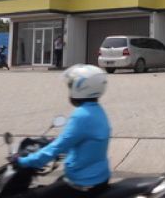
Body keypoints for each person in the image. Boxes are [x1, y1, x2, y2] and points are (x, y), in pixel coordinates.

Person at [12, 64, 111, 197]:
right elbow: (82, 142)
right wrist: (54, 142)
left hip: (83, 183)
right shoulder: (96, 110)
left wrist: (23, 161)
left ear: (81, 88)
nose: (69, 90)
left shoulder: (81, 115)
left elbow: (57, 148)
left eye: (71, 86)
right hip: (98, 177)